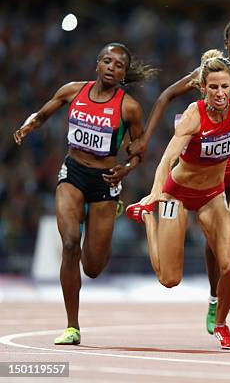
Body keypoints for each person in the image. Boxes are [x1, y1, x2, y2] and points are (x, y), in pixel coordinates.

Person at [129, 18, 230, 330]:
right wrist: (145, 141)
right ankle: (152, 219)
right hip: (186, 184)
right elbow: (166, 100)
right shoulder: (203, 82)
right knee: (170, 279)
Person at [13, 43, 153, 345]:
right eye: (107, 61)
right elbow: (42, 112)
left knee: (92, 267)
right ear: (97, 64)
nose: (111, 68)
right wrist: (29, 125)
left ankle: (107, 225)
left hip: (105, 181)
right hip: (73, 173)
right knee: (69, 244)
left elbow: (139, 151)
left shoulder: (129, 107)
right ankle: (72, 326)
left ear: (123, 73)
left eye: (118, 65)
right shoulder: (73, 91)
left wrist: (127, 168)